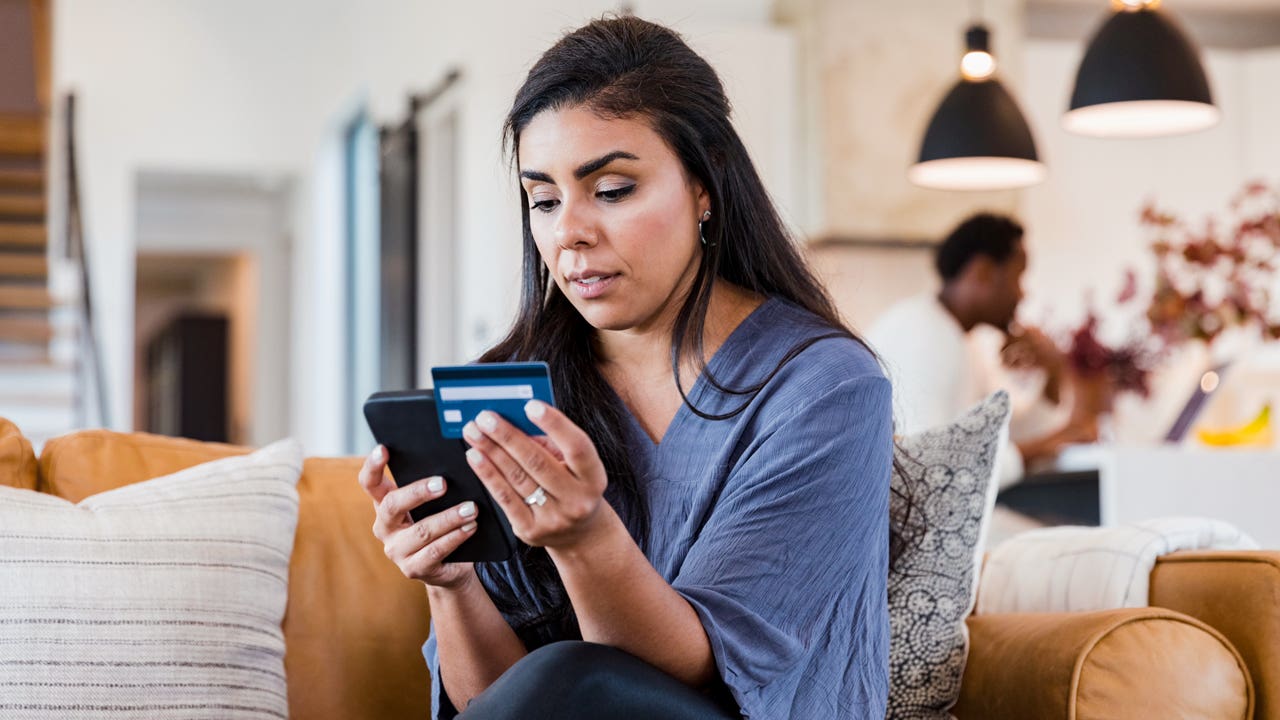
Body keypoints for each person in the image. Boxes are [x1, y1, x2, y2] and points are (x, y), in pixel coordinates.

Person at [356, 16, 900, 720]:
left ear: (705, 184)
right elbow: (496, 701)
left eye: (612, 190)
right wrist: (452, 583)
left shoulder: (824, 389)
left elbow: (694, 682)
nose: (569, 232)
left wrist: (586, 540)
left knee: (573, 674)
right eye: (544, 200)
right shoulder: (512, 383)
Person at [868, 213, 1098, 488]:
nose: (1022, 294)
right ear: (983, 272)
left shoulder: (963, 339)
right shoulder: (923, 336)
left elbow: (1006, 433)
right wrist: (1048, 444)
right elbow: (929, 466)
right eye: (1017, 277)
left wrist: (1053, 373)